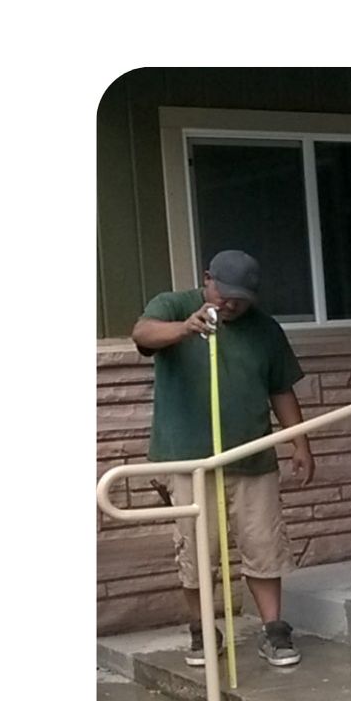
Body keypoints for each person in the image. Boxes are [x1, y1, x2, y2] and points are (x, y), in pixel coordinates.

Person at [131, 250, 314, 668]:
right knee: (197, 550)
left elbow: (281, 389)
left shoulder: (264, 328)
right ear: (207, 279)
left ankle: (275, 631)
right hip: (187, 459)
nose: (230, 304)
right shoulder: (173, 305)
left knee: (263, 545)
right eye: (224, 294)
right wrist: (184, 328)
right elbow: (143, 333)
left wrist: (299, 444)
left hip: (251, 456)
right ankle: (202, 631)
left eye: (241, 299)